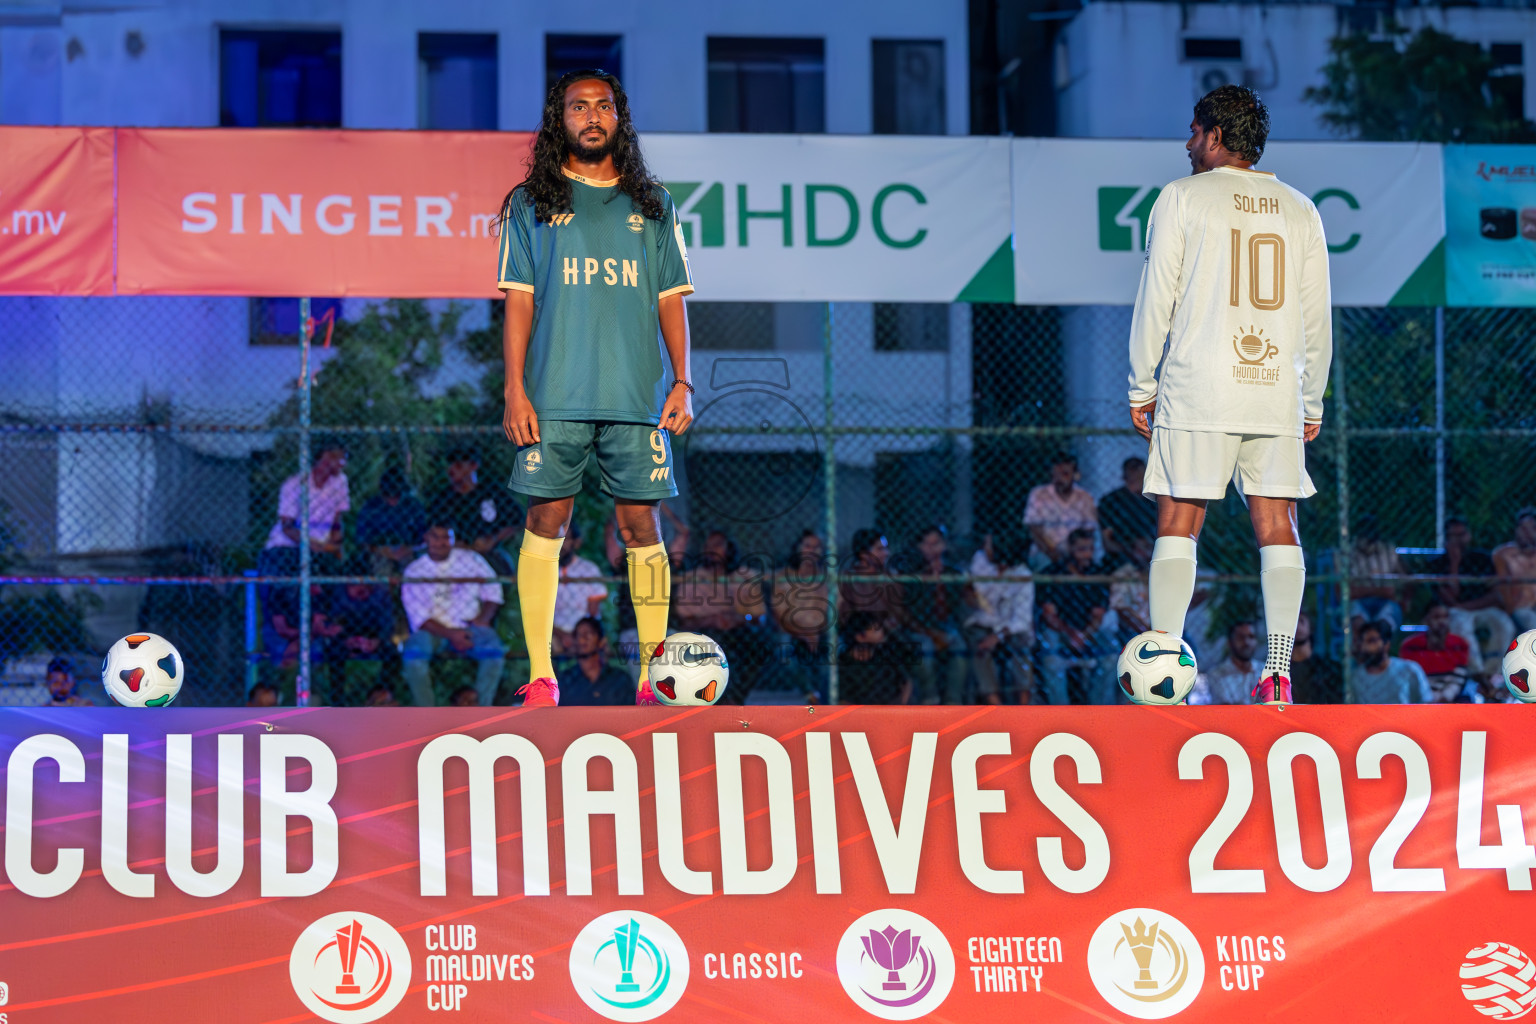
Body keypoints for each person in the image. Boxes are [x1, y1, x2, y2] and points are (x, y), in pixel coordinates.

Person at [1127, 84, 1332, 706]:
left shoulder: (1182, 198)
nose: (1188, 144)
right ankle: (1277, 674)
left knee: (1179, 523)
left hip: (1199, 387)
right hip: (1274, 390)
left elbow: (1156, 297)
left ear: (1216, 136)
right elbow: (1316, 315)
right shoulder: (1300, 207)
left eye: (1194, 132)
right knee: (1279, 525)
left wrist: (1142, 383)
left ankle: (1163, 665)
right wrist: (1312, 400)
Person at [498, 68, 695, 708]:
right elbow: (520, 304)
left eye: (602, 105)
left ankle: (653, 681)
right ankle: (540, 677)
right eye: (577, 106)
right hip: (553, 396)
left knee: (642, 525)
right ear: (560, 119)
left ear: (619, 117)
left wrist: (683, 381)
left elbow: (672, 301)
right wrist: (514, 390)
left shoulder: (654, 204)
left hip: (638, 399)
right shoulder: (530, 202)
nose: (591, 115)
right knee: (546, 520)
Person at [400, 522, 507, 707]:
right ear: (426, 538)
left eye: (446, 537)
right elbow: (419, 618)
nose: (441, 542)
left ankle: (480, 711)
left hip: (471, 626)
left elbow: (494, 590)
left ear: (453, 539)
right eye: (435, 537)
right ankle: (427, 714)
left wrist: (483, 619)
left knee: (494, 653)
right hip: (433, 631)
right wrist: (452, 635)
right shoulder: (414, 571)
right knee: (413, 655)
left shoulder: (470, 559)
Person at [673, 530, 772, 703]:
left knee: (760, 644)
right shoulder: (692, 579)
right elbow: (683, 622)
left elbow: (758, 618)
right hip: (703, 634)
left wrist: (740, 618)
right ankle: (720, 699)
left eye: (717, 545)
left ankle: (735, 699)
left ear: (730, 549)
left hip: (739, 631)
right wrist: (711, 620)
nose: (711, 550)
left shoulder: (746, 577)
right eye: (708, 546)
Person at [894, 525, 973, 704]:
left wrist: (945, 582)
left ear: (944, 545)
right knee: (925, 648)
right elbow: (909, 613)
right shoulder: (911, 573)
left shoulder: (953, 573)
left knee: (958, 645)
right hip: (919, 627)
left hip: (946, 626)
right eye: (926, 544)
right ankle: (930, 699)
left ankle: (954, 702)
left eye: (936, 543)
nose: (932, 549)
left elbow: (959, 604)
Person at [1038, 528, 1115, 705]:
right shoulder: (1053, 573)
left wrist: (1084, 635)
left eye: (1090, 549)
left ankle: (1099, 711)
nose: (1086, 555)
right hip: (1060, 630)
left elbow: (1098, 616)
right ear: (1070, 549)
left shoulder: (1098, 574)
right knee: (1051, 658)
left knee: (1111, 653)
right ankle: (1061, 713)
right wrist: (1071, 633)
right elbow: (1049, 615)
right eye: (1081, 549)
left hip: (1088, 631)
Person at [1429, 516, 1512, 678]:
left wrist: (1467, 606)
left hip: (1481, 607)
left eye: (1462, 535)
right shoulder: (1438, 562)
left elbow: (1496, 595)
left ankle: (1493, 673)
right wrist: (1455, 563)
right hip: (1457, 611)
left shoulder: (1482, 558)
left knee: (1504, 623)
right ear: (1446, 539)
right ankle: (1477, 673)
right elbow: (1448, 598)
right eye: (1454, 536)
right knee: (1458, 623)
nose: (1459, 540)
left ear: (1469, 535)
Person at [428, 448, 522, 575]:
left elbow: (518, 520)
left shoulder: (490, 492)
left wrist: (492, 539)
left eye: (458, 466)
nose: (451, 470)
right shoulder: (444, 498)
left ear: (473, 466)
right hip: (456, 553)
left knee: (502, 562)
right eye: (450, 465)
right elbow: (432, 529)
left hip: (489, 552)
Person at [261, 439, 349, 573]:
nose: (343, 464)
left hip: (322, 547)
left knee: (339, 570)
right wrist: (311, 545)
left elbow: (337, 520)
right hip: (289, 546)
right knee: (288, 566)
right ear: (326, 458)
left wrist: (335, 545)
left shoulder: (340, 482)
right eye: (340, 459)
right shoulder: (295, 484)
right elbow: (287, 527)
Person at [966, 532, 1035, 704]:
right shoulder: (980, 560)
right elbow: (978, 598)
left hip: (1010, 628)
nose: (985, 548)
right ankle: (994, 703)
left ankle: (1024, 704)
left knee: (1022, 645)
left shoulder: (1023, 574)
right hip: (983, 621)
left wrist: (998, 636)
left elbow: (1022, 620)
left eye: (989, 545)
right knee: (979, 646)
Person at [322, 559, 398, 705]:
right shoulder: (339, 593)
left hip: (373, 634)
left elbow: (388, 624)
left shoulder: (380, 593)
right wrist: (346, 640)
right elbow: (333, 623)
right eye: (354, 584)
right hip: (348, 635)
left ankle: (381, 694)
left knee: (392, 653)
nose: (360, 589)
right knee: (334, 652)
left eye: (364, 583)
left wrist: (377, 641)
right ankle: (337, 702)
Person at [772, 530, 832, 702]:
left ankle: (827, 698)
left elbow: (834, 612)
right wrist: (804, 634)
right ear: (798, 548)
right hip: (792, 632)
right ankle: (811, 694)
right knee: (785, 650)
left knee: (834, 652)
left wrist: (818, 633)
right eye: (807, 546)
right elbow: (780, 617)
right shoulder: (783, 577)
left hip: (821, 633)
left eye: (817, 547)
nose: (812, 551)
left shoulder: (826, 577)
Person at [1023, 452, 1098, 568]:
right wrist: (1055, 555)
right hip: (1045, 552)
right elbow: (1035, 531)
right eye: (1056, 474)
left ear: (1075, 475)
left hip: (1076, 551)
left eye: (1065, 474)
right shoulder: (1038, 494)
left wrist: (1076, 553)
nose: (1060, 479)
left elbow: (1088, 531)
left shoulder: (1085, 497)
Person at [551, 521, 610, 659]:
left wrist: (578, 636)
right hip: (554, 632)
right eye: (556, 539)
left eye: (565, 539)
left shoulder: (589, 569)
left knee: (597, 646)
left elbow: (593, 613)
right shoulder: (543, 570)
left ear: (576, 542)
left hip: (584, 631)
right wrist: (562, 635)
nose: (560, 544)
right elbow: (538, 614)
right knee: (548, 644)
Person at [355, 465, 427, 576]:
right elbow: (362, 539)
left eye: (396, 497)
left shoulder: (413, 506)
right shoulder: (371, 506)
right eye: (388, 497)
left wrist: (408, 549)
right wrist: (381, 550)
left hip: (407, 551)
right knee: (382, 568)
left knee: (412, 567)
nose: (392, 501)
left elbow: (424, 538)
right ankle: (383, 592)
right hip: (380, 551)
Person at [1399, 602, 1472, 700]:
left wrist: (1447, 696)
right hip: (1420, 697)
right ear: (1426, 620)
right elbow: (1409, 677)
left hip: (1450, 696)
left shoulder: (1459, 644)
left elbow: (1459, 676)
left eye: (1445, 617)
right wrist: (1429, 697)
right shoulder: (1410, 645)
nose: (1442, 621)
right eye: (1436, 617)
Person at [838, 611, 914, 705]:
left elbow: (906, 682)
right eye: (875, 630)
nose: (882, 633)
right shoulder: (844, 665)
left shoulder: (886, 655)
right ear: (861, 637)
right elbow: (841, 700)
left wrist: (900, 705)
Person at [557, 617, 636, 706]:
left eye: (588, 633)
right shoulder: (565, 680)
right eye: (578, 634)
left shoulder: (620, 679)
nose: (582, 639)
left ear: (601, 641)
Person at [1348, 515, 1404, 635]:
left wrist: (1364, 588)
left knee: (1385, 623)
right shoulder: (1347, 553)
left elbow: (1397, 588)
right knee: (1359, 622)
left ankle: (1381, 650)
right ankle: (1361, 651)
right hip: (1357, 602)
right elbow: (1346, 592)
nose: (1367, 541)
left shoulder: (1388, 551)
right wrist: (1379, 589)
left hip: (1386, 602)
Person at [1352, 619, 1431, 704]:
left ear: (1386, 644)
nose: (1366, 647)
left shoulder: (1410, 670)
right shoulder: (1355, 678)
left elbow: (1427, 704)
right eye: (1363, 642)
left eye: (1372, 641)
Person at [1099, 457, 1157, 561]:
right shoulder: (1111, 502)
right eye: (1132, 476)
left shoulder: (1155, 502)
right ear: (1125, 478)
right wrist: (1131, 547)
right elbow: (1107, 543)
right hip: (1121, 557)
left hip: (1152, 555)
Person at [1494, 508, 1536, 634]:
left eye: (1532, 528)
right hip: (1519, 607)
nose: (1527, 533)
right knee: (1530, 620)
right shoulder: (1502, 554)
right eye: (1523, 528)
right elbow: (1503, 590)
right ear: (1516, 530)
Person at [1201, 621, 1264, 705]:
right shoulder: (1216, 675)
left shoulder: (1265, 672)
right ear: (1229, 643)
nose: (1246, 642)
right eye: (1240, 637)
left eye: (1251, 637)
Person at [1288, 611, 1343, 704]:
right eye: (1293, 622)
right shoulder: (1282, 671)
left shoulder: (1328, 667)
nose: (1297, 626)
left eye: (1301, 621)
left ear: (1311, 627)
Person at [1109, 535, 1153, 644]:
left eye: (1147, 548)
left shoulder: (1160, 573)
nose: (1143, 553)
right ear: (1132, 551)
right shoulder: (1123, 574)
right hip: (1131, 629)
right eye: (1139, 549)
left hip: (1159, 628)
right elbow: (1121, 609)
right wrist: (1145, 630)